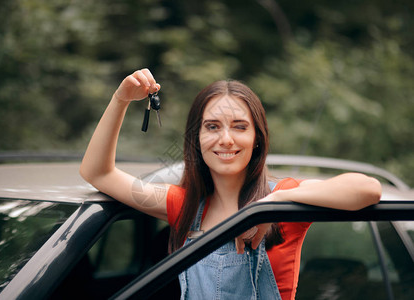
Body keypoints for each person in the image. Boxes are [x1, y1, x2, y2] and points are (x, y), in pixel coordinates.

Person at [80, 68, 382, 299]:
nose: (226, 139)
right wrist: (120, 99)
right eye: (212, 127)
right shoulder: (183, 206)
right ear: (196, 139)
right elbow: (99, 174)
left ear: (257, 139)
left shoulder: (286, 199)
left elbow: (367, 189)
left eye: (240, 127)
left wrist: (270, 208)